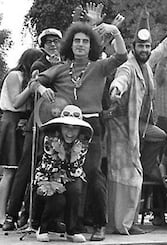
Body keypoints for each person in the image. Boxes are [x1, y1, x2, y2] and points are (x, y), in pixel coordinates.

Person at [30, 21, 128, 241]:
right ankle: (55, 223)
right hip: (64, 127)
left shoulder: (99, 66)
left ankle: (99, 224)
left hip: (90, 126)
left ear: (91, 44)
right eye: (77, 41)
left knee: (92, 172)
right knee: (60, 175)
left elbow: (121, 57)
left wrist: (117, 33)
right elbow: (34, 83)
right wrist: (43, 88)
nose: (81, 45)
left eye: (85, 41)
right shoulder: (61, 68)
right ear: (70, 45)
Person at [107, 9, 167, 234]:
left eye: (147, 47)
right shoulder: (128, 64)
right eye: (141, 46)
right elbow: (121, 79)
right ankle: (123, 223)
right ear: (133, 47)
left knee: (160, 137)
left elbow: (165, 47)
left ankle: (144, 168)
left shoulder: (146, 63)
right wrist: (116, 89)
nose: (145, 50)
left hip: (141, 127)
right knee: (125, 176)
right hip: (123, 126)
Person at [34, 105, 93, 242]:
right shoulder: (50, 140)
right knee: (57, 199)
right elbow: (50, 169)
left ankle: (72, 230)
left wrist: (73, 158)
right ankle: (42, 227)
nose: (70, 132)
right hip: (48, 177)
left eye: (74, 128)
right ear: (60, 127)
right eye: (66, 127)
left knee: (76, 189)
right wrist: (60, 155)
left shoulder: (82, 143)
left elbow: (75, 170)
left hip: (71, 177)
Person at [0, 48, 42, 228]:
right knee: (10, 171)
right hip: (11, 121)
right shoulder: (14, 76)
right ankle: (1, 214)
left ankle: (18, 212)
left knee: (22, 172)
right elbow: (16, 102)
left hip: (25, 123)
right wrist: (31, 86)